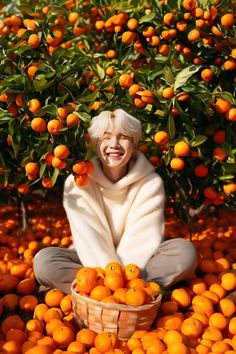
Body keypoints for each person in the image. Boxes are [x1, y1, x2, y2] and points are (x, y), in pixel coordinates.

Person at [34, 109, 197, 294]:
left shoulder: (150, 183)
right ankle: (142, 292)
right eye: (106, 137)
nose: (114, 144)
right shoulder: (78, 182)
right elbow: (90, 238)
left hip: (138, 265)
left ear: (134, 144)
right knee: (44, 261)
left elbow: (143, 239)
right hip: (91, 261)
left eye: (124, 137)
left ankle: (108, 293)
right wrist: (106, 280)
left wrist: (123, 281)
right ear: (95, 143)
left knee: (185, 252)